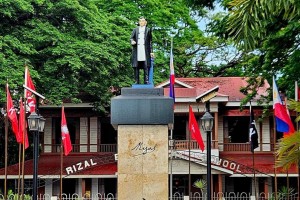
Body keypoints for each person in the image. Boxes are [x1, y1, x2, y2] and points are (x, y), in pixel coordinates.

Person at [130, 17, 154, 84]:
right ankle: (136, 80)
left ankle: (146, 80)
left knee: (146, 65)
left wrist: (151, 51)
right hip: (137, 50)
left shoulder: (148, 30)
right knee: (136, 66)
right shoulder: (135, 29)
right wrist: (132, 41)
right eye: (140, 21)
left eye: (143, 21)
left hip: (145, 50)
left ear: (145, 22)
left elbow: (150, 41)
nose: (141, 22)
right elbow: (131, 38)